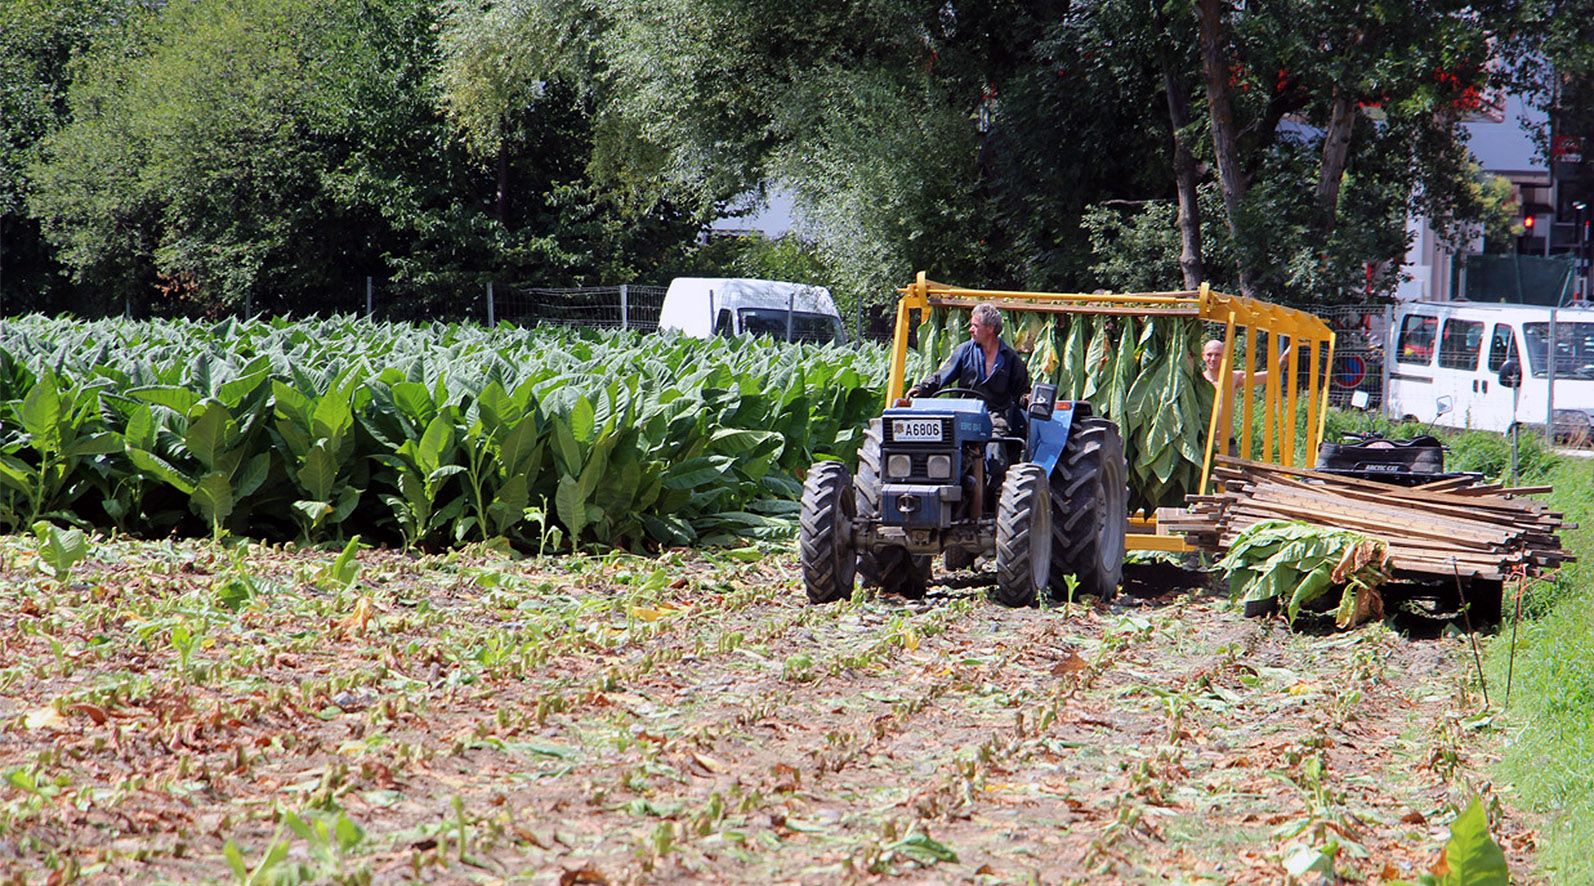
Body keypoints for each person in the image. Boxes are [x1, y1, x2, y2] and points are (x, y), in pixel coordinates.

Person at [907, 303, 1031, 433]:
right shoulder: (964, 351)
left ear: (990, 328)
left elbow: (1021, 392)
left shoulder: (1011, 358)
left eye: (975, 326)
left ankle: (994, 452)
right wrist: (922, 388)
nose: (970, 329)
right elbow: (942, 374)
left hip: (995, 415)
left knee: (996, 439)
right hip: (967, 413)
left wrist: (1030, 398)